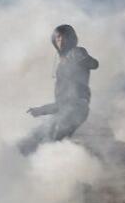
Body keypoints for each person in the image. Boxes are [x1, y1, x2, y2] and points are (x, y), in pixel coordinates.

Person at [20, 24, 99, 154]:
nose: (61, 41)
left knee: (50, 141)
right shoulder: (61, 62)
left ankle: (60, 169)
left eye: (64, 37)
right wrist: (41, 110)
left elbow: (94, 64)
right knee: (32, 138)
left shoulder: (77, 52)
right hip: (64, 109)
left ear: (71, 38)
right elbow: (61, 103)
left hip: (76, 109)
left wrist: (81, 58)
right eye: (57, 38)